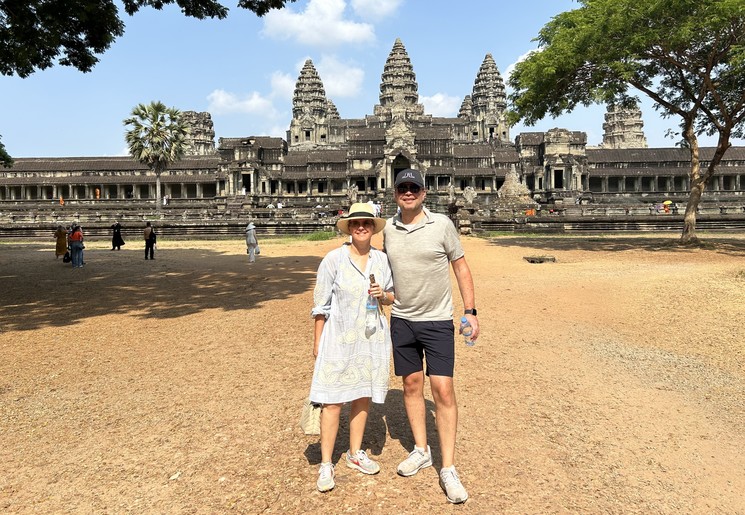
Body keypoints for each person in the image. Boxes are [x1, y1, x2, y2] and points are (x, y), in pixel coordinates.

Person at [383, 169, 480, 504]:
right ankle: (422, 449)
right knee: (411, 384)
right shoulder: (388, 230)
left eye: (414, 188)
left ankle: (448, 467)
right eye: (402, 188)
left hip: (437, 320)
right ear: (395, 193)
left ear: (424, 193)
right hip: (402, 319)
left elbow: (461, 267)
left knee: (442, 388)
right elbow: (381, 270)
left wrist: (470, 311)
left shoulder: (441, 225)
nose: (408, 193)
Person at [309, 202, 395, 493]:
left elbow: (392, 296)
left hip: (370, 337)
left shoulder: (381, 261)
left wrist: (383, 294)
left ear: (373, 229)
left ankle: (355, 453)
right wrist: (317, 342)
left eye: (367, 224)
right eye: (356, 223)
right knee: (332, 401)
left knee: (362, 392)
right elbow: (321, 304)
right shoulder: (333, 259)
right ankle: (325, 462)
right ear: (349, 227)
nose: (361, 227)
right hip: (338, 337)